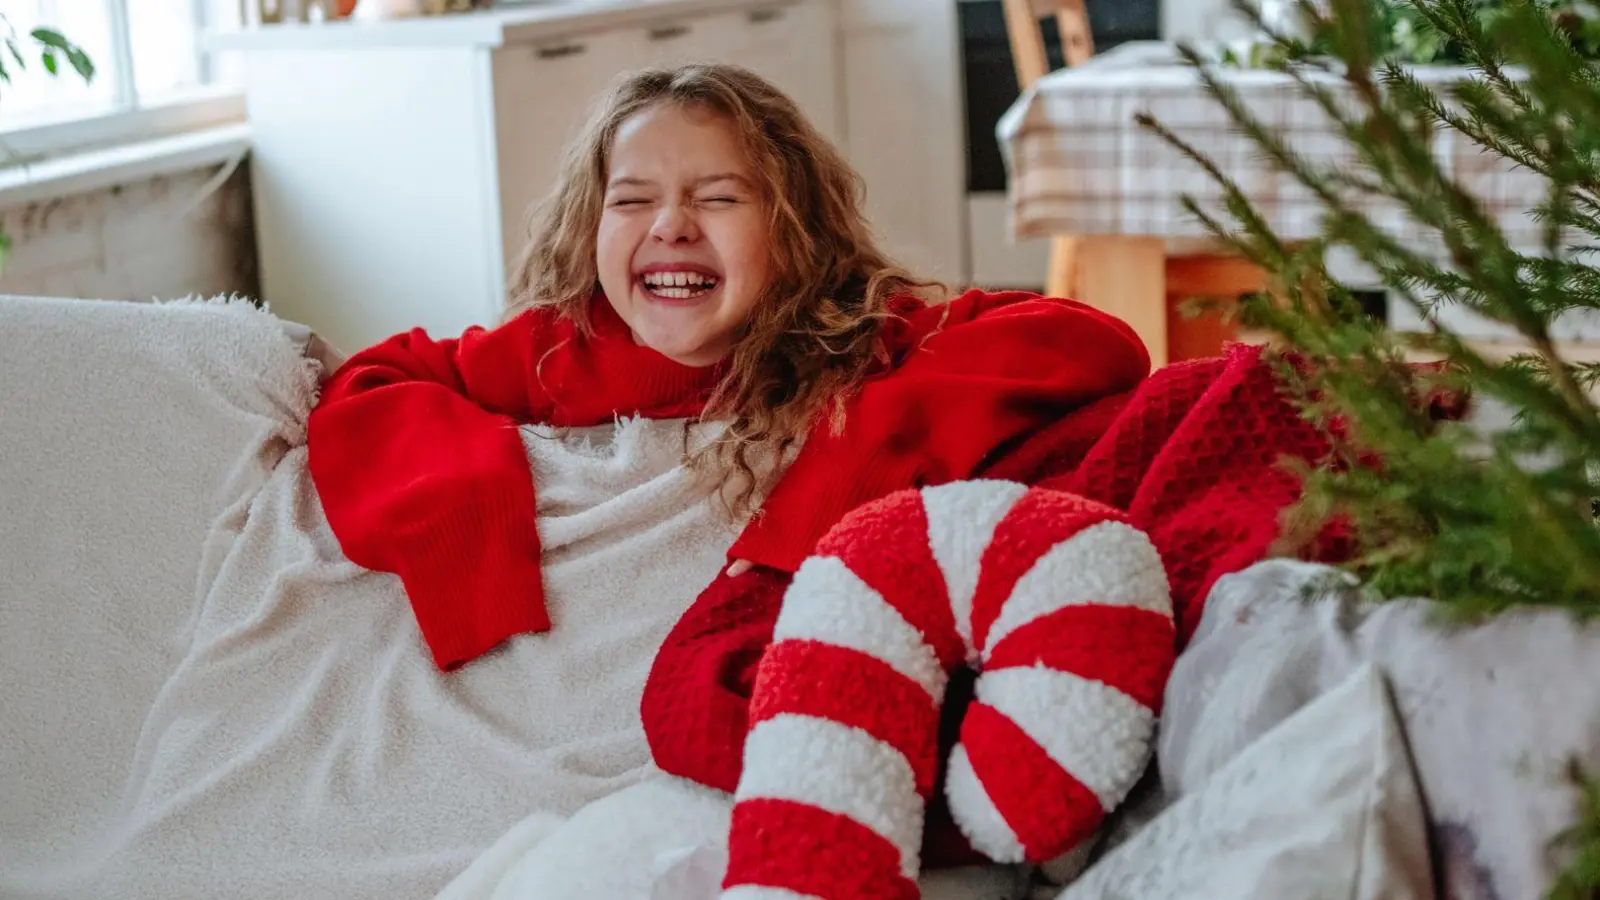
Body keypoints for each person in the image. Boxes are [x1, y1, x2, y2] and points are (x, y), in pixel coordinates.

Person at [306, 62, 1149, 673]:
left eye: (718, 198)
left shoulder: (851, 330)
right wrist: (472, 546)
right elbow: (378, 379)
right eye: (632, 200)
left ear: (794, 231)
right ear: (591, 226)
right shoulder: (562, 349)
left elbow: (1092, 340)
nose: (670, 224)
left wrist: (827, 491)